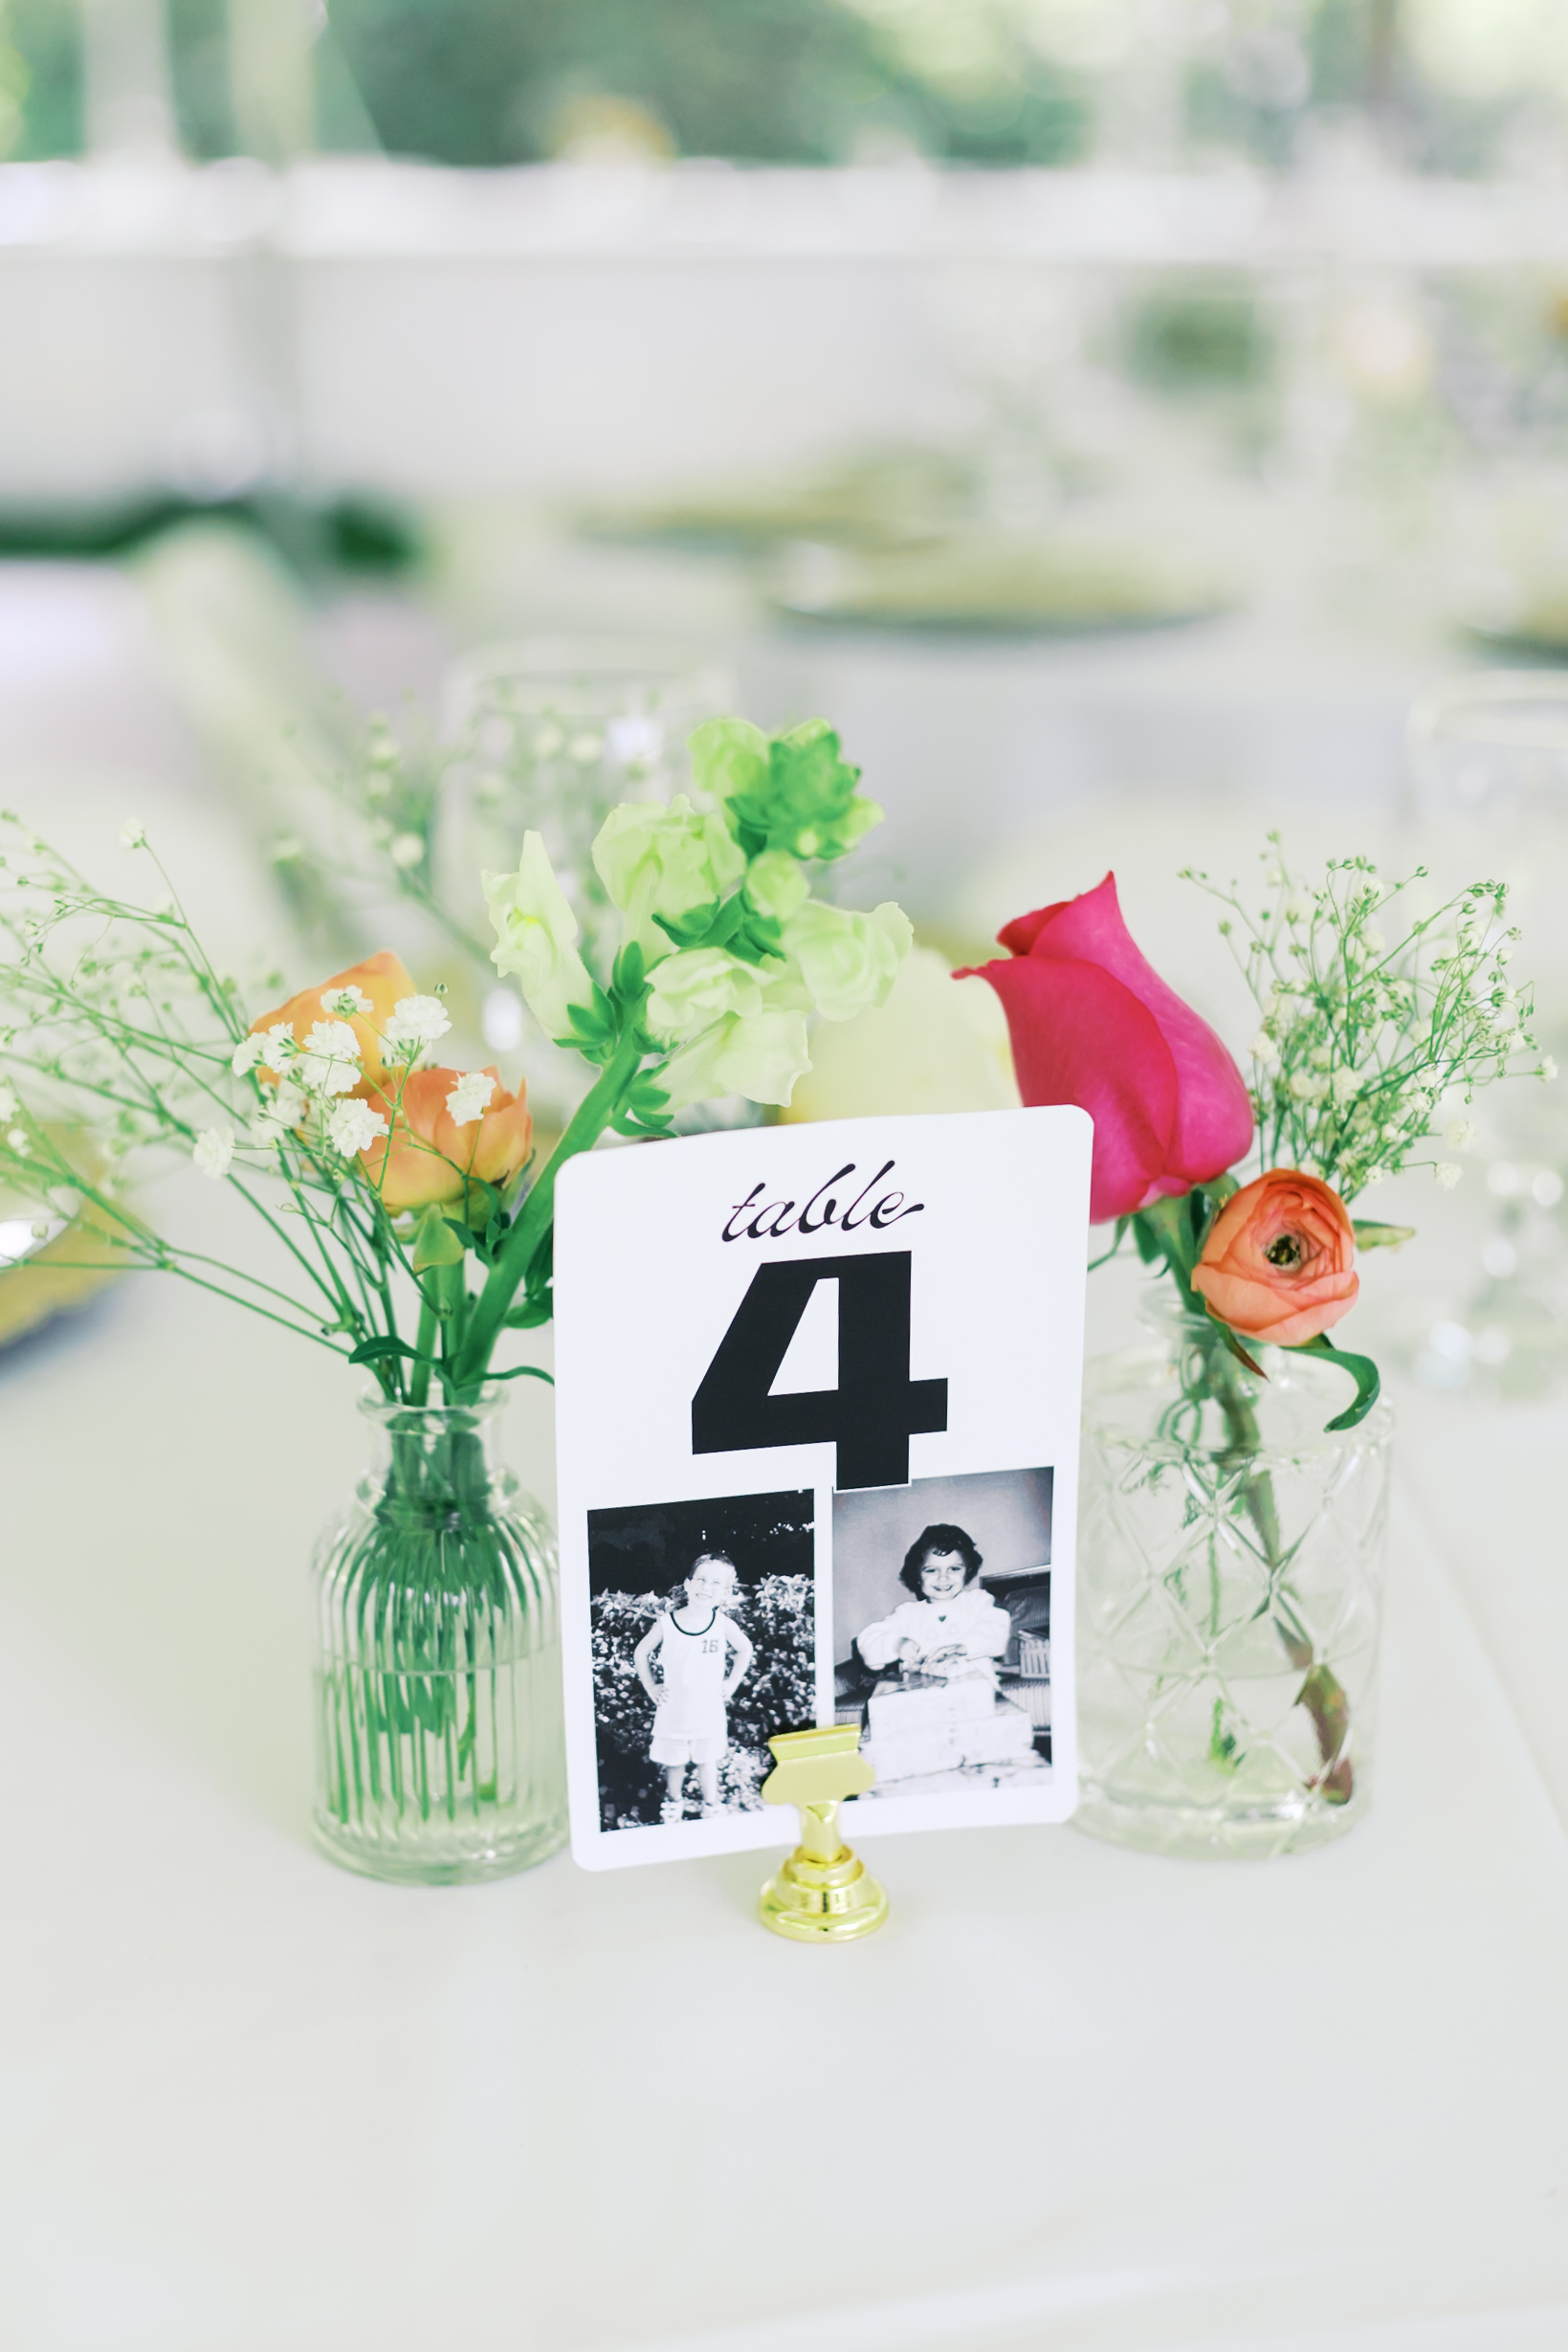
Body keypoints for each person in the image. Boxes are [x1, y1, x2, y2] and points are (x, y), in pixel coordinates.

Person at [634, 1551, 755, 1821]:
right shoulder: (667, 1623)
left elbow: (745, 1649)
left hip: (708, 1709)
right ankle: (674, 1801)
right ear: (687, 1584)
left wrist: (733, 1681)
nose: (706, 1587)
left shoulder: (723, 1625)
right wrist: (651, 1687)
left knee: (707, 1759)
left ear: (726, 1593)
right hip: (674, 1709)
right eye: (701, 1580)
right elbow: (640, 1653)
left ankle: (711, 1804)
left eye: (716, 1584)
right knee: (674, 1760)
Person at [855, 1522, 1011, 1684]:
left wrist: (964, 1647)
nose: (943, 1578)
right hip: (923, 1699)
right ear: (917, 1575)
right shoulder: (907, 1613)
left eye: (954, 1569)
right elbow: (867, 1639)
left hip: (975, 1692)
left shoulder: (976, 1601)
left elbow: (996, 1628)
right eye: (931, 1570)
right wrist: (896, 1644)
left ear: (968, 1571)